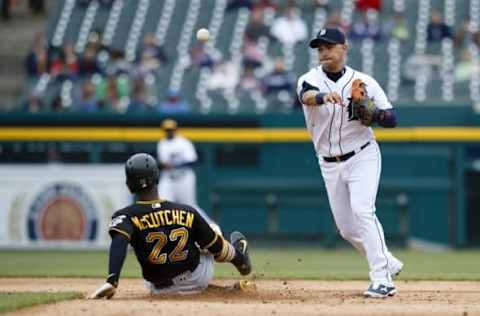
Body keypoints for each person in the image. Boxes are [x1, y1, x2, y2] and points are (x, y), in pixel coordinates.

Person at [296, 27, 403, 298]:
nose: (324, 53)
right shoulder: (309, 79)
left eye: (329, 47)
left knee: (363, 210)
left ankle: (382, 278)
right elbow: (307, 96)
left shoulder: (363, 81)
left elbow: (392, 119)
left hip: (363, 155)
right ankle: (387, 260)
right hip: (329, 162)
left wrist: (372, 111)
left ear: (344, 48)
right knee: (346, 228)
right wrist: (322, 97)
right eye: (320, 49)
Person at [90, 153, 252, 298]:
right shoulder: (187, 211)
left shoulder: (125, 215)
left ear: (129, 184)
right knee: (211, 233)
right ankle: (240, 259)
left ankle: (226, 273)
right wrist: (237, 258)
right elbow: (214, 244)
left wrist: (112, 279)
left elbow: (119, 242)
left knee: (147, 243)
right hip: (196, 278)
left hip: (158, 288)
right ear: (157, 178)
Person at [157, 119, 198, 206]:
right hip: (168, 178)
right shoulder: (162, 143)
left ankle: (207, 220)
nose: (169, 132)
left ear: (175, 130)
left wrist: (175, 165)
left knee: (189, 206)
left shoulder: (184, 143)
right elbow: (162, 163)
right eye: (167, 130)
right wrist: (163, 165)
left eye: (170, 130)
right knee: (161, 204)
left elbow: (192, 161)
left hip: (184, 178)